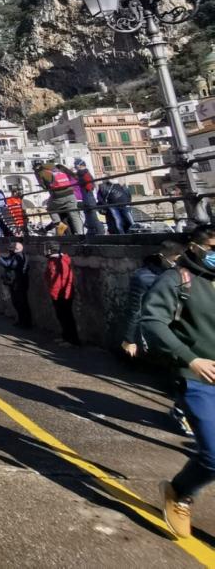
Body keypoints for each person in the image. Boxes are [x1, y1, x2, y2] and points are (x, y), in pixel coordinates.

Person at [142, 229, 215, 539]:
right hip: (195, 377)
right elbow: (152, 321)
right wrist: (189, 358)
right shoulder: (176, 280)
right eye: (212, 246)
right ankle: (180, 492)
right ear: (196, 247)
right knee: (213, 454)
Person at [121, 241, 191, 436]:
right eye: (176, 259)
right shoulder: (144, 278)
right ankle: (181, 411)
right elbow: (135, 309)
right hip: (164, 332)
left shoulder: (188, 274)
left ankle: (183, 409)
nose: (179, 263)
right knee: (184, 375)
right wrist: (129, 339)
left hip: (187, 330)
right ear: (164, 257)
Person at [35, 160, 84, 235]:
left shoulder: (42, 172)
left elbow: (45, 187)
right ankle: (80, 234)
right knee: (74, 215)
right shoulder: (59, 168)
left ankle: (58, 223)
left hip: (58, 196)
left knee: (50, 208)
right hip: (71, 194)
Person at [44, 245, 80, 345]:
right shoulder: (52, 260)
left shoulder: (61, 261)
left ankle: (73, 340)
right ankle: (66, 336)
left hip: (63, 294)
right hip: (56, 292)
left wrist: (66, 294)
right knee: (61, 316)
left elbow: (67, 279)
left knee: (67, 317)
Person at [0, 241, 31, 328]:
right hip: (15, 282)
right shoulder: (15, 255)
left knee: (21, 303)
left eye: (11, 249)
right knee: (17, 303)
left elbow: (8, 264)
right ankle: (21, 321)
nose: (10, 251)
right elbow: (7, 260)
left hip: (19, 283)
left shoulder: (19, 256)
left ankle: (25, 323)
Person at [73, 159, 105, 236]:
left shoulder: (85, 174)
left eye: (76, 166)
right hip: (87, 198)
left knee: (92, 217)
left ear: (80, 166)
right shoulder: (84, 174)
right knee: (89, 217)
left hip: (89, 198)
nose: (75, 168)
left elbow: (89, 187)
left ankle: (100, 232)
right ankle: (91, 232)